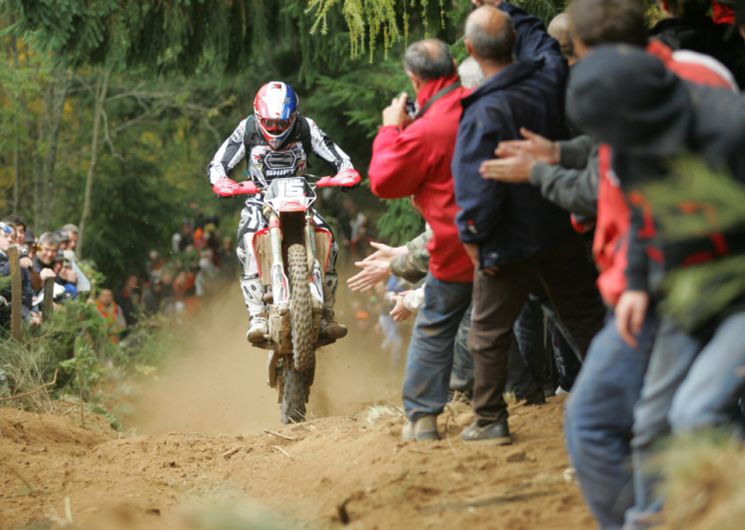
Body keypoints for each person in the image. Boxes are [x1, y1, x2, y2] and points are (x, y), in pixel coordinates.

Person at [566, 44, 745, 530]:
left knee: (696, 412)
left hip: (738, 294)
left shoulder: (731, 128)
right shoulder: (630, 141)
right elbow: (646, 218)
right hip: (685, 293)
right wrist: (638, 284)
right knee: (651, 424)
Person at [452, 1, 605, 444]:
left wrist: (474, 240)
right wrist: (504, 6)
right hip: (557, 226)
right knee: (587, 318)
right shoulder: (548, 79)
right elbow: (545, 44)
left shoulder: (481, 112)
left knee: (488, 331)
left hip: (508, 241)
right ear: (514, 41)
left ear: (470, 49)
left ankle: (490, 420)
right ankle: (624, 399)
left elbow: (475, 188)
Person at [366, 34, 475, 441]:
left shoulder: (429, 128)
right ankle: (514, 404)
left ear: (414, 79)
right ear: (454, 67)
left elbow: (384, 180)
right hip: (518, 237)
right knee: (531, 315)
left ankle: (424, 419)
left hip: (458, 246)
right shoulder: (487, 105)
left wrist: (390, 129)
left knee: (434, 327)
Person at [208, 81, 360, 344]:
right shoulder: (247, 129)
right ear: (259, 117)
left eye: (282, 123)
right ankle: (257, 315)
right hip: (259, 200)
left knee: (329, 239)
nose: (276, 129)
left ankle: (327, 312)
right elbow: (219, 162)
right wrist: (221, 181)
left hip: (301, 200)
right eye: (270, 123)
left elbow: (339, 157)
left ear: (294, 117)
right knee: (247, 240)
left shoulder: (306, 127)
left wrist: (345, 172)